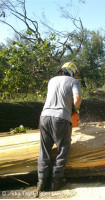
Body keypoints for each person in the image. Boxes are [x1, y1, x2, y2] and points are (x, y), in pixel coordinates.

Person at [36, 62, 82, 194]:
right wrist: (75, 109)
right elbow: (77, 99)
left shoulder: (52, 80)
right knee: (63, 149)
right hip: (61, 118)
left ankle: (41, 181)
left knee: (44, 149)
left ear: (62, 71)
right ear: (73, 72)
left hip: (44, 116)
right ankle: (56, 181)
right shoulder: (74, 82)